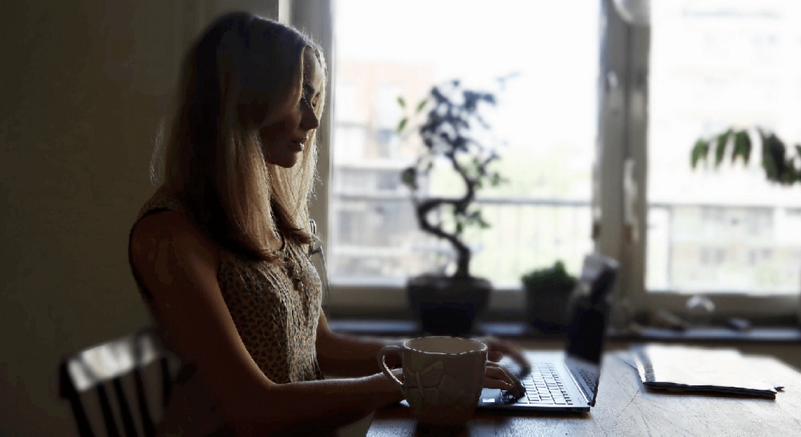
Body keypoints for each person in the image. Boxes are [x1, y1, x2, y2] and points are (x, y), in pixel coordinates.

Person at [129, 11, 527, 436]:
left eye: (313, 99)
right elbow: (251, 406)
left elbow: (322, 346)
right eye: (299, 96)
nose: (312, 119)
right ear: (245, 97)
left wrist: (443, 360)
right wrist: (415, 381)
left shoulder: (267, 215)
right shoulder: (170, 233)